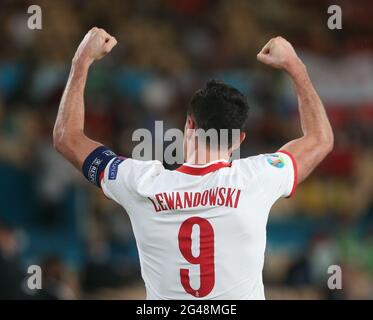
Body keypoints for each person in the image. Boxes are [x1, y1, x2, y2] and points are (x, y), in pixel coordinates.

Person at [53, 28, 333, 299]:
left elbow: (67, 138)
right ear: (239, 139)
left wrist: (82, 60)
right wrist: (296, 67)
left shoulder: (141, 182)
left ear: (188, 124)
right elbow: (320, 139)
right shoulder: (257, 177)